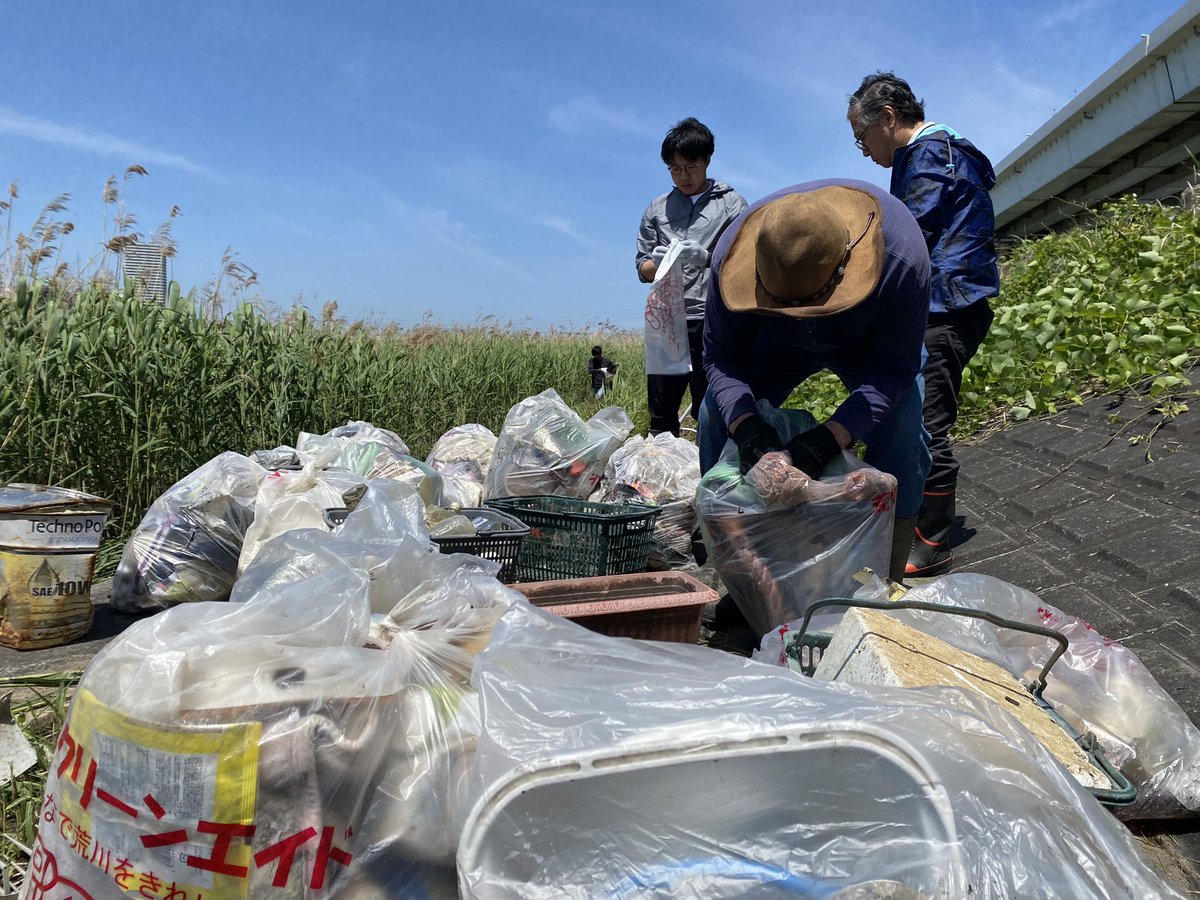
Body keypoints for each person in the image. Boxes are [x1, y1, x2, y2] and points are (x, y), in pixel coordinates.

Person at [700, 179, 932, 583]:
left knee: (904, 426)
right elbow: (723, 357)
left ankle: (885, 570)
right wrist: (748, 429)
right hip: (773, 343)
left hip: (865, 341)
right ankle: (734, 567)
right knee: (712, 417)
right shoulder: (730, 257)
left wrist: (825, 441)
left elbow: (894, 369)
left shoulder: (900, 256)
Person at [848, 71, 999, 577]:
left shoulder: (930, 156)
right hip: (950, 304)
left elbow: (908, 236)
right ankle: (915, 522)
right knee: (915, 411)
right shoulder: (935, 153)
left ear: (887, 118)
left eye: (861, 136)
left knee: (928, 421)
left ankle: (932, 536)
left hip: (947, 306)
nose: (863, 149)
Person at [636, 117, 747, 436]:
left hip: (712, 318)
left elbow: (744, 263)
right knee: (661, 412)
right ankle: (658, 478)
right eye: (674, 169)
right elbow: (641, 266)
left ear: (707, 160)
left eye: (690, 167)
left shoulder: (731, 205)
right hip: (665, 320)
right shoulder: (657, 209)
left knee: (710, 410)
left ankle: (712, 477)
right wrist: (655, 265)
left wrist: (707, 260)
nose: (683, 176)